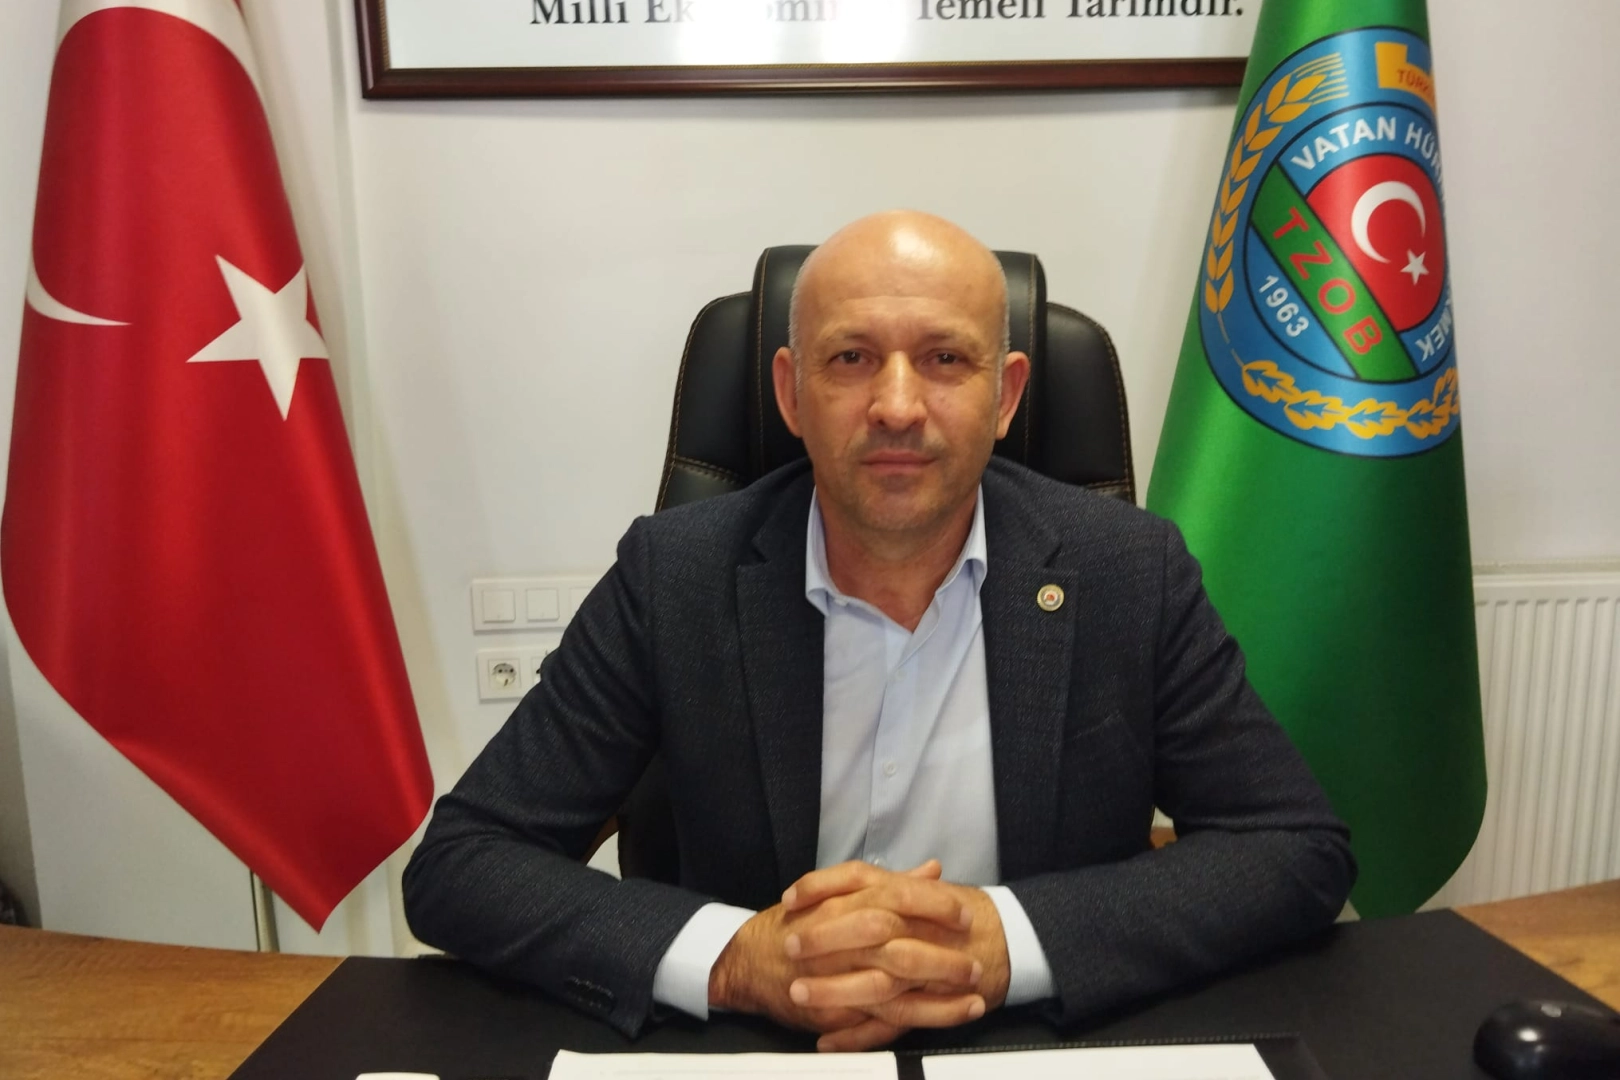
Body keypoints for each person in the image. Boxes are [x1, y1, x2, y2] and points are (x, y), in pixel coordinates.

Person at [402, 210, 1356, 1052]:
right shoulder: (674, 577)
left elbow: (1294, 844)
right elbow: (463, 861)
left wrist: (1008, 942)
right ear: (790, 393)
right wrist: (737, 958)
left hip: (1033, 1047)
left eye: (945, 359)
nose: (897, 406)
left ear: (1006, 396)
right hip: (758, 1053)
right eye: (851, 358)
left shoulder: (1129, 573)